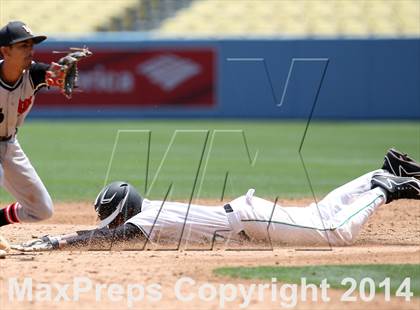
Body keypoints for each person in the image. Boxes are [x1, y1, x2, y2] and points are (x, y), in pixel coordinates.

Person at [13, 148, 420, 251]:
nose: (112, 225)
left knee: (334, 231)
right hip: (248, 216)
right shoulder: (151, 211)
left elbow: (103, 240)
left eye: (112, 218)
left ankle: (387, 186)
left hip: (250, 221)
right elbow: (107, 235)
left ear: (124, 212)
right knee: (318, 215)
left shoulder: (149, 221)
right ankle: (375, 174)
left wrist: (57, 240)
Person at [0, 21, 72, 228]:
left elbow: (48, 74)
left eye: (32, 45)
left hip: (9, 144)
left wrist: (58, 75)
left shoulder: (32, 74)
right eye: (23, 46)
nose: (30, 50)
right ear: (5, 51)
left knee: (41, 209)